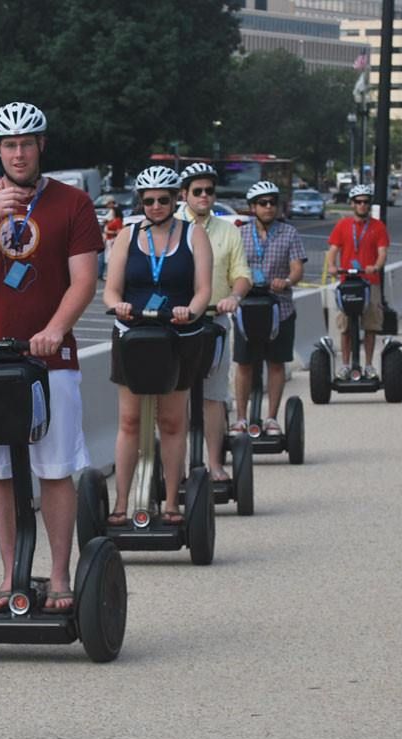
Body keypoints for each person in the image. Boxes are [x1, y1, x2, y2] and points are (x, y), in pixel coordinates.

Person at [0, 101, 101, 613]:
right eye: (8, 145)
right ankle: (11, 575)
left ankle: (57, 576)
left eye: (26, 144)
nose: (17, 153)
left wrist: (55, 329)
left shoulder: (73, 204)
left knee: (54, 469)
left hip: (50, 362)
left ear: (41, 147)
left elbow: (83, 280)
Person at [104, 165, 212, 526]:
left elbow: (203, 290)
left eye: (163, 200)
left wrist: (191, 311)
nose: (155, 206)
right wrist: (117, 304)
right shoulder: (127, 235)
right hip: (133, 335)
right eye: (148, 201)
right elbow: (111, 287)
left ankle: (170, 503)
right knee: (130, 420)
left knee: (170, 421)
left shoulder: (194, 234)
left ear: (176, 198)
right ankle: (121, 503)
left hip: (177, 336)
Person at [176, 163, 250, 480]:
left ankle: (216, 464)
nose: (204, 196)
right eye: (198, 191)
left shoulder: (228, 230)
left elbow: (242, 275)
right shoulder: (171, 225)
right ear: (184, 195)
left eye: (209, 191)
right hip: (176, 324)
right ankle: (174, 470)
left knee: (213, 396)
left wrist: (234, 296)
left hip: (214, 321)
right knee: (175, 397)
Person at [235, 180, 307, 436]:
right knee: (244, 364)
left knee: (276, 364)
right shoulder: (240, 233)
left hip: (280, 308)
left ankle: (271, 419)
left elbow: (297, 268)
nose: (268, 207)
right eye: (262, 203)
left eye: (272, 203)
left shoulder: (289, 233)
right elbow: (233, 266)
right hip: (246, 308)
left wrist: (286, 281)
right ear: (252, 207)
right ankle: (241, 418)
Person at [324, 184, 390, 379]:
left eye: (366, 202)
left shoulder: (378, 227)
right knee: (345, 326)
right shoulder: (342, 225)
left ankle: (368, 365)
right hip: (347, 281)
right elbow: (333, 249)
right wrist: (332, 266)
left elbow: (382, 252)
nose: (362, 205)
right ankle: (345, 365)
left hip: (370, 281)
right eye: (358, 202)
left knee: (370, 325)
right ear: (352, 204)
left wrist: (376, 266)